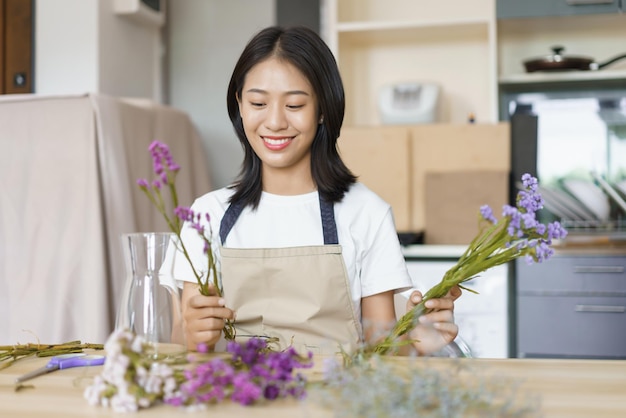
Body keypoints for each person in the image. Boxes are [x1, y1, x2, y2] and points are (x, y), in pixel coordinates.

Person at [176, 25, 460, 356]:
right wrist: (193, 332)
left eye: (294, 105)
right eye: (258, 103)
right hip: (237, 403)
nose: (275, 121)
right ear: (240, 105)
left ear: (323, 108)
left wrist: (415, 341)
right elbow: (181, 338)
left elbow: (381, 348)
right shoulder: (207, 216)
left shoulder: (366, 212)